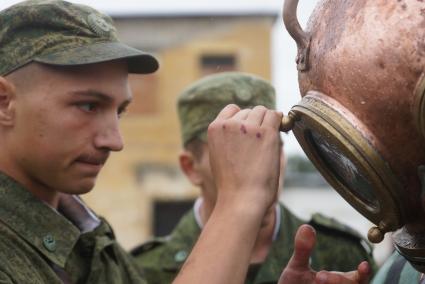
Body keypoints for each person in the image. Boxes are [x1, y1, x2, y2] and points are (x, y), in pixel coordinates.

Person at [0, 1, 288, 283]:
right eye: (88, 106)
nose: (115, 141)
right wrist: (239, 203)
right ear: (4, 103)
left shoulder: (89, 236)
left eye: (120, 111)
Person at [132, 72, 376, 284]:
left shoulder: (339, 253)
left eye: (270, 146)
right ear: (190, 168)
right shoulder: (143, 270)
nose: (262, 166)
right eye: (234, 151)